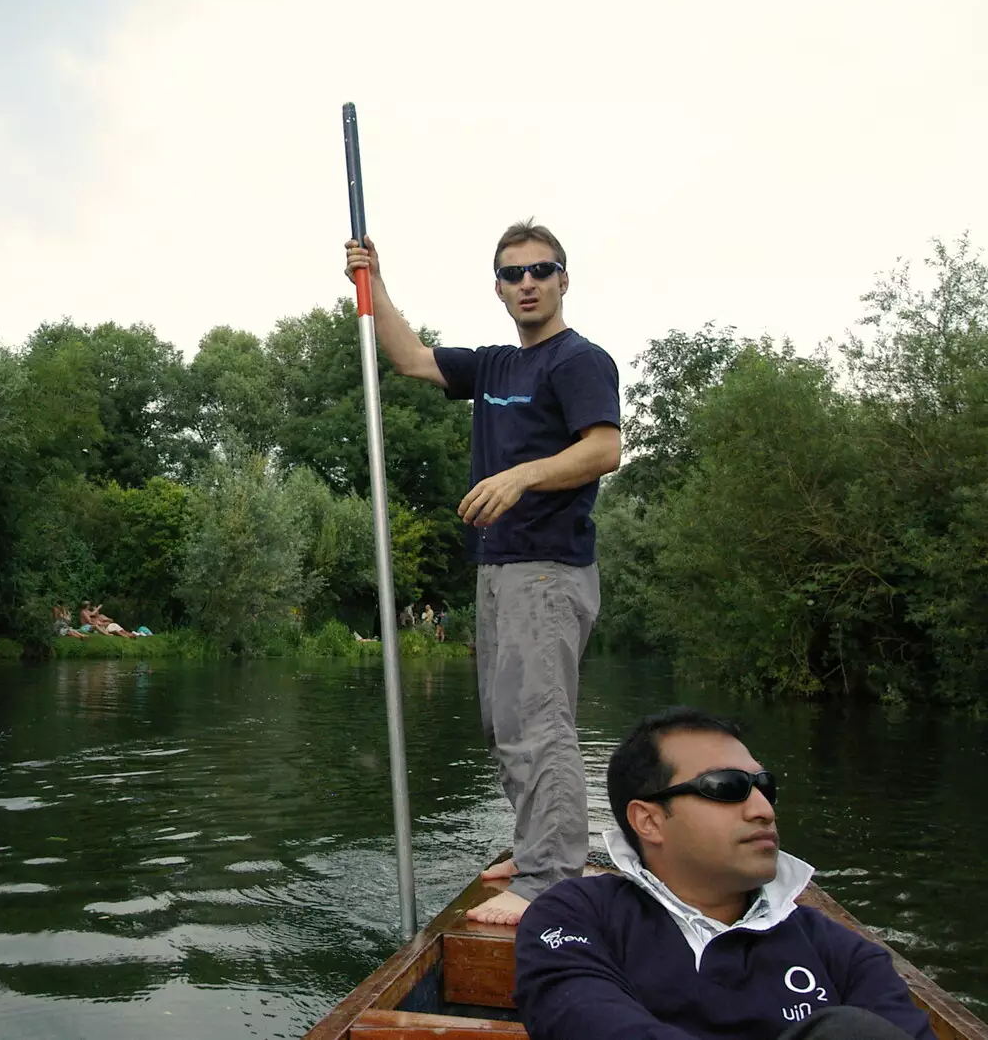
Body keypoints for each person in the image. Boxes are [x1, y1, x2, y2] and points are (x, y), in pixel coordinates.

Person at [345, 221, 620, 924]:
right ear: (498, 288)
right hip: (499, 569)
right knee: (504, 726)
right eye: (512, 274)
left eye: (540, 270)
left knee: (538, 723)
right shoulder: (496, 365)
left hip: (549, 569)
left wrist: (524, 475)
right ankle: (536, 850)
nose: (526, 283)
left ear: (563, 279)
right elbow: (408, 358)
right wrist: (370, 278)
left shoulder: (580, 361)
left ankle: (552, 879)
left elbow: (603, 451)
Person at [514, 707, 936, 1040]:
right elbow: (583, 1020)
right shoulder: (575, 917)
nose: (764, 810)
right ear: (649, 821)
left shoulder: (842, 953)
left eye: (764, 787)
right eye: (726, 787)